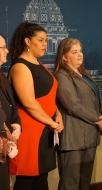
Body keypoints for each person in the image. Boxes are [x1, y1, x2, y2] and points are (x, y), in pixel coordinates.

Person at [8, 22, 63, 190]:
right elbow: (29, 103)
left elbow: (48, 97)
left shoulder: (39, 65)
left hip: (45, 127)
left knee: (41, 178)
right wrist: (52, 122)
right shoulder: (20, 66)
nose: (45, 44)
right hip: (30, 130)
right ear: (27, 41)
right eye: (40, 40)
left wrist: (57, 114)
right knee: (27, 180)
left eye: (46, 40)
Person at [54, 37, 102, 190]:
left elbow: (100, 98)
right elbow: (72, 105)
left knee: (84, 183)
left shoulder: (85, 75)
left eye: (81, 51)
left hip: (90, 136)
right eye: (75, 52)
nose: (80, 55)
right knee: (69, 184)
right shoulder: (61, 76)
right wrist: (97, 119)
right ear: (64, 56)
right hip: (73, 138)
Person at [0, 34, 21, 190]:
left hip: (5, 147)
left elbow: (12, 107)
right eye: (3, 47)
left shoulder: (4, 78)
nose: (7, 51)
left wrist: (17, 125)